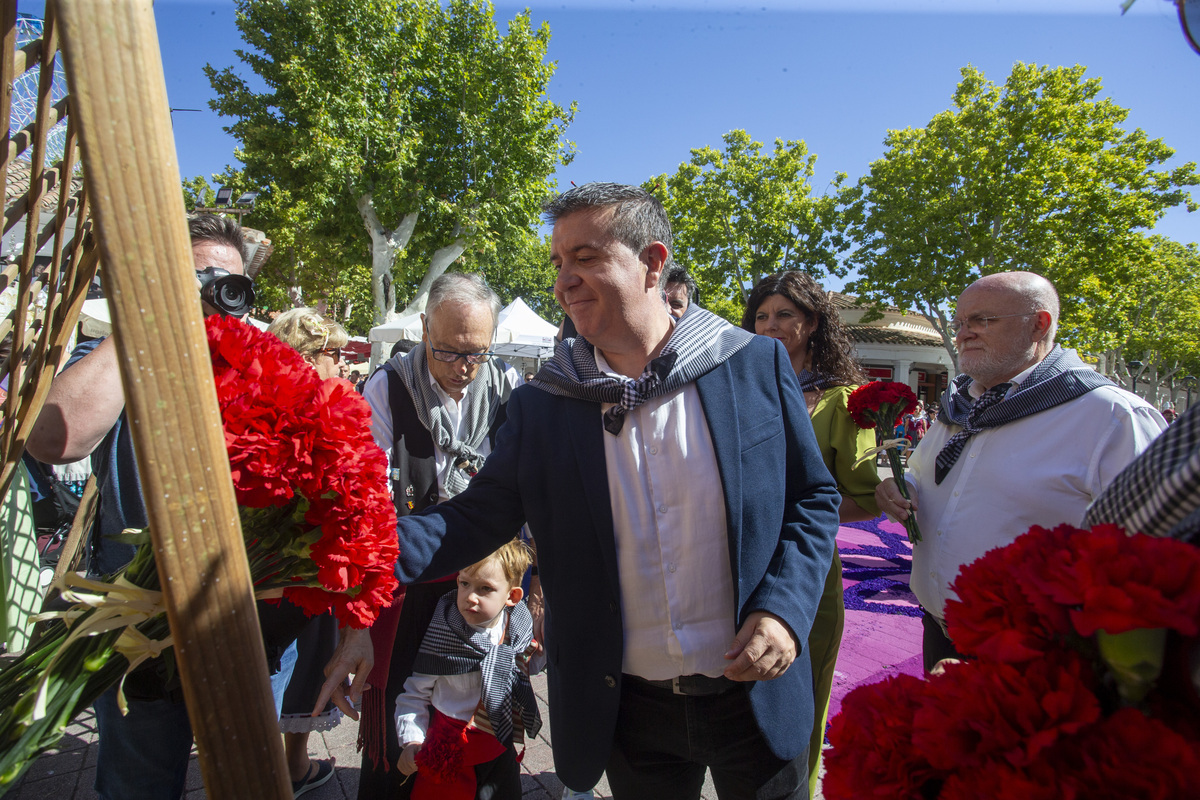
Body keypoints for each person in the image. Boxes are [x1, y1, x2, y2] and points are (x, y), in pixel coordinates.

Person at [377, 183, 840, 799]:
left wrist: (783, 610)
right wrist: (347, 548)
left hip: (755, 697)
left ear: (653, 262)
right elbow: (470, 520)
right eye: (558, 263)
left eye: (587, 257)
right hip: (625, 711)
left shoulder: (752, 363)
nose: (564, 280)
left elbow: (812, 498)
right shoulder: (544, 405)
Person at [25, 214, 366, 800]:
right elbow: (57, 439)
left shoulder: (263, 363)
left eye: (225, 281)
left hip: (239, 621)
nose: (213, 292)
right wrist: (151, 318)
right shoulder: (116, 354)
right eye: (196, 277)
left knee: (246, 779)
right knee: (140, 784)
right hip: (137, 628)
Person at [874, 271, 1167, 672]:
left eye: (982, 321)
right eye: (960, 323)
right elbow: (923, 477)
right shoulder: (959, 407)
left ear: (1039, 324)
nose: (962, 334)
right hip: (940, 631)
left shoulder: (1113, 417)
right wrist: (896, 486)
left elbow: (1155, 560)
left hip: (1041, 655)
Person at [356, 272, 524, 799]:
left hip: (483, 585)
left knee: (482, 719)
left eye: (477, 352)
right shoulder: (388, 386)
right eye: (448, 351)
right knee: (402, 731)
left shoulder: (506, 387)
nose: (463, 368)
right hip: (410, 588)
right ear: (424, 328)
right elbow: (365, 500)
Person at [741, 270, 880, 798]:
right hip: (736, 567)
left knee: (802, 698)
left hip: (808, 574)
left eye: (785, 315)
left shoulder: (844, 402)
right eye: (761, 316)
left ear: (813, 323)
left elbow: (866, 498)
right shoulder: (738, 389)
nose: (771, 326)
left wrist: (791, 510)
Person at [265, 308, 351, 796]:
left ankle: (292, 768)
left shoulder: (328, 403)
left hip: (311, 571)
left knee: (307, 668)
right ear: (303, 356)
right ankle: (265, 777)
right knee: (277, 672)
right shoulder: (281, 411)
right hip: (277, 578)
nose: (342, 364)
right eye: (333, 354)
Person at [395, 538, 541, 800]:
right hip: (450, 753)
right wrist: (412, 741)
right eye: (465, 583)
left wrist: (539, 652)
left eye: (485, 588)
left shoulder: (517, 627)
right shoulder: (444, 633)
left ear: (512, 596)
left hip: (499, 744)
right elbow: (415, 694)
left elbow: (530, 667)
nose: (470, 597)